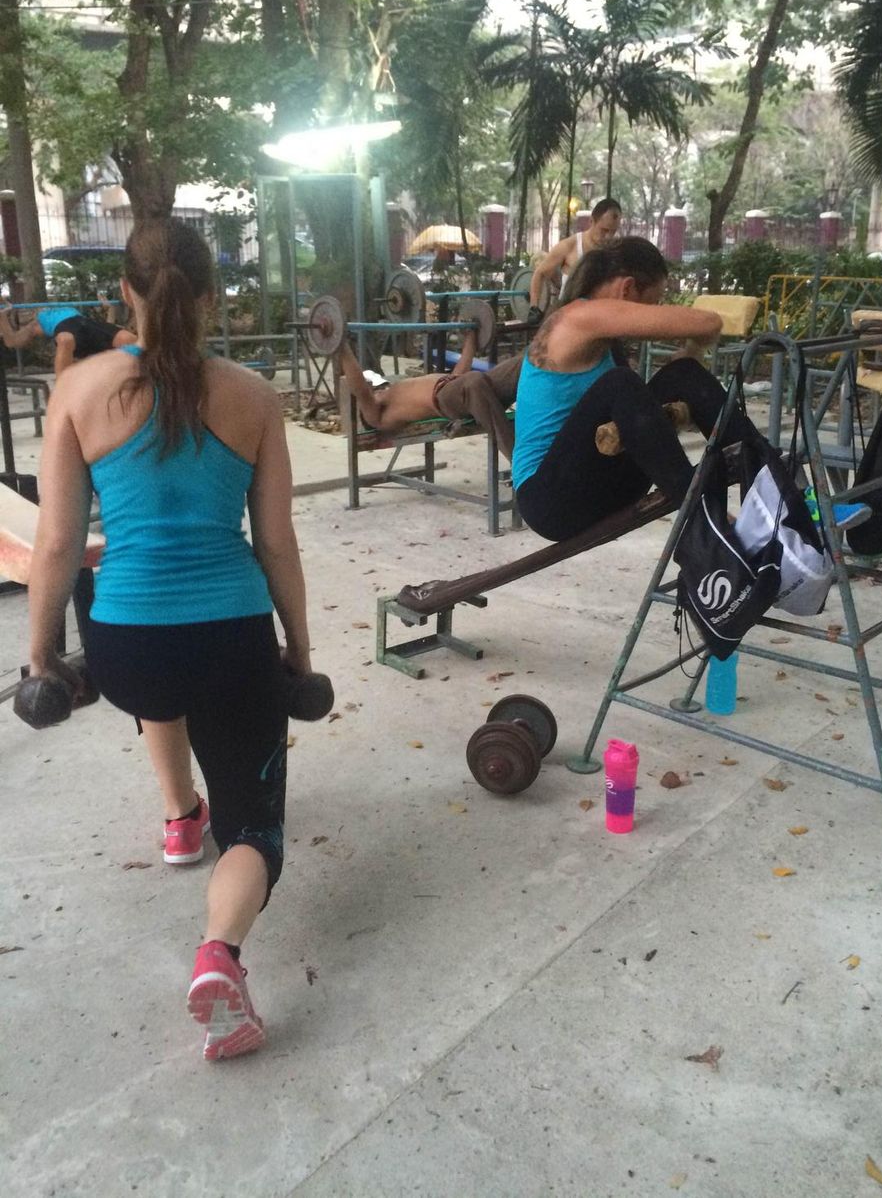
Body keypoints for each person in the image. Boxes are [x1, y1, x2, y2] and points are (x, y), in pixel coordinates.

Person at [26, 219, 311, 1062]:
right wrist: (299, 652)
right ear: (213, 298)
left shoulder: (77, 391)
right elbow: (277, 544)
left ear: (124, 292)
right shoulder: (254, 397)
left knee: (157, 671)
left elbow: (56, 544)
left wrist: (41, 657)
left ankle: (181, 818)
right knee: (255, 833)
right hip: (232, 643)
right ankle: (219, 954)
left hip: (126, 653)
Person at [512, 237, 740, 542]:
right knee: (620, 383)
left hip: (602, 485)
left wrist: (690, 357)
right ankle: (702, 510)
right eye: (652, 303)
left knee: (681, 373)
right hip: (549, 501)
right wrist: (695, 347)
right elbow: (708, 323)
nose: (652, 312)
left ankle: (766, 478)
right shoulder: (579, 317)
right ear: (627, 288)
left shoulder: (603, 340)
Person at [338, 330, 521, 460]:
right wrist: (342, 347)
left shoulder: (394, 392)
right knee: (473, 381)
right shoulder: (377, 418)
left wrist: (471, 337)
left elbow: (458, 374)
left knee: (526, 361)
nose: (376, 390)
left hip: (467, 388)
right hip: (450, 399)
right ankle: (520, 465)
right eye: (374, 392)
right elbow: (360, 389)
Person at [528, 197, 623, 322]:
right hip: (568, 319)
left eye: (613, 231)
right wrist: (534, 307)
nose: (608, 237)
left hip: (597, 319)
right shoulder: (569, 246)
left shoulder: (613, 250)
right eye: (604, 230)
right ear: (591, 221)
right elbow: (540, 273)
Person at [0, 294, 137, 376]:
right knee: (66, 340)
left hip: (85, 327)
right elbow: (11, 341)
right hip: (72, 331)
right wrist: (3, 316)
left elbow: (107, 329)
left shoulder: (48, 316)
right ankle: (62, 392)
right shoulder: (36, 324)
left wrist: (110, 308)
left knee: (129, 339)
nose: (26, 312)